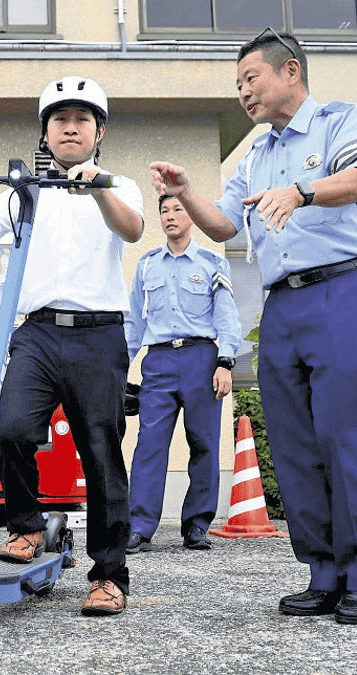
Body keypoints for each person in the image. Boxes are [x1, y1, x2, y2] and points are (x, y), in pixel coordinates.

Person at [149, 28, 357, 625]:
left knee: (347, 433)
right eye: (237, 84)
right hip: (283, 306)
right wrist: (187, 193)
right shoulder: (256, 153)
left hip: (346, 288)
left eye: (250, 79)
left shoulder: (340, 120)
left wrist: (301, 191)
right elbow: (223, 228)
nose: (243, 93)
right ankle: (326, 573)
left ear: (290, 71)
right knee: (294, 443)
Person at [0, 76, 144, 616]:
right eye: (60, 120)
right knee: (6, 428)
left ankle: (109, 576)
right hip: (35, 333)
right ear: (47, 133)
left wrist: (96, 184)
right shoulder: (26, 192)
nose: (70, 127)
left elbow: (131, 229)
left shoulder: (119, 184)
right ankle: (27, 527)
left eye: (81, 119)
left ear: (98, 131)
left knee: (100, 454)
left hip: (99, 333)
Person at [124, 195, 241, 554]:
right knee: (149, 445)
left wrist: (225, 361)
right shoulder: (147, 265)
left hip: (201, 360)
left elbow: (226, 314)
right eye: (164, 211)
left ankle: (197, 525)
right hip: (158, 362)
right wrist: (118, 368)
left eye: (178, 209)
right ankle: (140, 526)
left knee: (203, 442)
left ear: (191, 215)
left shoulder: (212, 263)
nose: (170, 216)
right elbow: (134, 321)